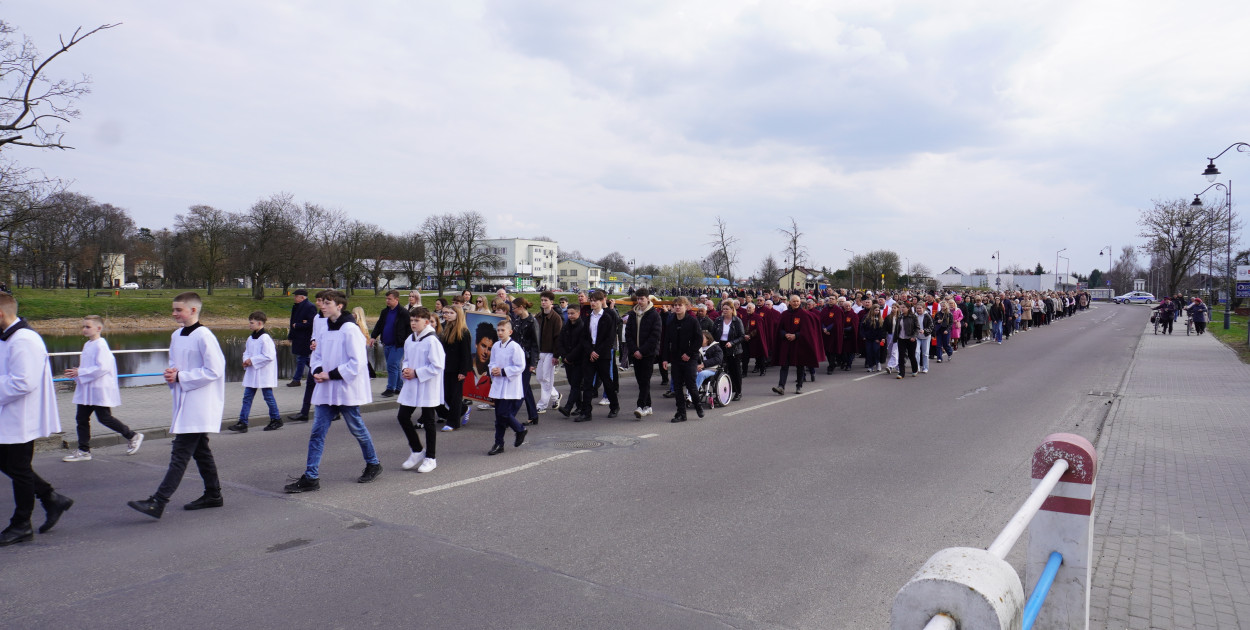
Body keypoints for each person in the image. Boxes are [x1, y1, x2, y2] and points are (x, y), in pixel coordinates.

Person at [127, 292, 225, 519]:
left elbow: (215, 370)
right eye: (173, 309)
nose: (173, 313)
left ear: (193, 310)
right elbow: (174, 364)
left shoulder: (204, 336)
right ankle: (213, 494)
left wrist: (181, 376)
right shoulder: (176, 335)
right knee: (201, 452)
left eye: (178, 310)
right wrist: (171, 374)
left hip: (199, 402)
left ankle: (158, 501)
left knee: (180, 452)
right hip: (184, 398)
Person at [284, 291, 382, 493]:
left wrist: (330, 375)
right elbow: (317, 354)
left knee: (357, 429)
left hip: (344, 388)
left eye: (327, 303)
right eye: (323, 303)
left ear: (339, 306)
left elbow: (357, 363)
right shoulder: (324, 327)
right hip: (327, 388)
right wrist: (318, 370)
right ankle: (311, 477)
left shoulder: (350, 329)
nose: (323, 306)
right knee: (317, 432)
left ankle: (373, 463)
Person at [0, 293, 73, 544]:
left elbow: (23, 383)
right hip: (9, 414)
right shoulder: (9, 338)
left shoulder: (24, 339)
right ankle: (51, 498)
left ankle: (21, 524)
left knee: (18, 469)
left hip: (21, 416)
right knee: (8, 463)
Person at [62, 315, 143, 461]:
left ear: (98, 328)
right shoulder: (88, 344)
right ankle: (84, 451)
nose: (84, 329)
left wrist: (80, 372)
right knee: (81, 418)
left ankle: (132, 435)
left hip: (98, 390)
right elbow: (89, 366)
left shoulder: (101, 345)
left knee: (104, 418)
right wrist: (77, 372)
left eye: (88, 327)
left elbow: (103, 368)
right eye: (83, 326)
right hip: (88, 389)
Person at [396, 307, 445, 473]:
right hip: (411, 384)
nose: (413, 323)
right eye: (411, 320)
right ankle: (417, 450)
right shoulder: (410, 339)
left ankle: (431, 458)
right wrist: (405, 369)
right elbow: (407, 359)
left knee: (429, 422)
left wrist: (416, 372)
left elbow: (437, 365)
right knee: (403, 416)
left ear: (426, 322)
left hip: (427, 385)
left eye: (416, 320)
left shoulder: (432, 341)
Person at [228, 311, 282, 433]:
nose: (249, 325)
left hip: (263, 373)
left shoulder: (265, 338)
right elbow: (246, 352)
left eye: (251, 323)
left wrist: (252, 360)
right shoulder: (250, 338)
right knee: (247, 397)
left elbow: (269, 356)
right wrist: (246, 360)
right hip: (253, 372)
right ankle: (243, 422)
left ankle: (276, 419)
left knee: (268, 397)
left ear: (259, 323)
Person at [487, 319, 528, 455]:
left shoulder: (515, 347)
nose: (499, 333)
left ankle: (520, 429)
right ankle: (499, 443)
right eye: (498, 330)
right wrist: (493, 369)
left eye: (502, 330)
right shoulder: (496, 346)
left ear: (510, 332)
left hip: (510, 384)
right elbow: (492, 362)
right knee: (499, 417)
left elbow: (520, 366)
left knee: (503, 413)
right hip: (498, 384)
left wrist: (504, 371)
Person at [289, 290, 330, 422]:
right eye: (317, 300)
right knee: (310, 383)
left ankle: (336, 410)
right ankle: (304, 412)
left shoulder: (332, 319)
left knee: (328, 385)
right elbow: (314, 333)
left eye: (320, 301)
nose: (317, 303)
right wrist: (313, 342)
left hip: (329, 359)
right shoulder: (317, 318)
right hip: (316, 357)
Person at [578, 291, 620, 420]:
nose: (592, 303)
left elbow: (610, 338)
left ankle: (614, 406)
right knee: (588, 383)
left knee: (607, 381)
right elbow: (584, 338)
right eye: (591, 300)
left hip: (603, 354)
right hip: (590, 354)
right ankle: (586, 412)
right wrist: (590, 351)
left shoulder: (608, 317)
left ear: (602, 301)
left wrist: (598, 352)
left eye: (595, 300)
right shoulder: (588, 318)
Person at [661, 297, 703, 423]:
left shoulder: (692, 321)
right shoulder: (671, 321)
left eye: (680, 305)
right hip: (676, 358)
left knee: (691, 385)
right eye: (675, 305)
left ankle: (698, 405)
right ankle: (681, 413)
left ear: (686, 307)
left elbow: (699, 339)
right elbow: (666, 341)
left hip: (690, 357)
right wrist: (664, 359)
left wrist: (689, 353)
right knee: (677, 387)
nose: (677, 307)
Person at [625, 289, 662, 418]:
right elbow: (628, 333)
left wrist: (642, 351)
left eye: (642, 299)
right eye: (638, 299)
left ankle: (640, 406)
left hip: (648, 354)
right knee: (641, 381)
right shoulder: (633, 314)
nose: (640, 301)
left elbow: (655, 335)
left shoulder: (654, 315)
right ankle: (648, 406)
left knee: (645, 379)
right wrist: (634, 350)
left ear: (648, 299)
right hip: (635, 353)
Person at [437, 304, 472, 431]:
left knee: (456, 396)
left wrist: (463, 371)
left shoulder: (463, 331)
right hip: (446, 367)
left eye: (450, 313)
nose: (447, 315)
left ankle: (453, 422)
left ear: (458, 315)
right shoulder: (446, 328)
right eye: (445, 313)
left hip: (457, 369)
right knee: (446, 395)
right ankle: (464, 409)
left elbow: (465, 353)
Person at [371, 290, 411, 397]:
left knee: (392, 365)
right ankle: (399, 387)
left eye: (389, 299)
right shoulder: (385, 312)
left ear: (396, 299)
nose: (387, 301)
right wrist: (373, 336)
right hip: (386, 343)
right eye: (386, 299)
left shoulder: (403, 312)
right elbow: (379, 325)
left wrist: (405, 341)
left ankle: (390, 388)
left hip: (398, 344)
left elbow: (409, 328)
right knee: (396, 366)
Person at [509, 297, 540, 425]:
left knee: (520, 389)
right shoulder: (516, 321)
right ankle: (533, 415)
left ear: (521, 307)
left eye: (514, 308)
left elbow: (535, 344)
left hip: (527, 359)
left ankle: (509, 418)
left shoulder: (532, 321)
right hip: (517, 358)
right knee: (525, 389)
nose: (513, 310)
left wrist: (533, 363)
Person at [772, 295, 811, 395]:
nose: (796, 303)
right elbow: (779, 329)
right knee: (784, 365)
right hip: (786, 343)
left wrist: (796, 335)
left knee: (800, 366)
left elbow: (806, 330)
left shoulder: (804, 314)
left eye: (797, 301)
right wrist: (785, 334)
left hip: (799, 343)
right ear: (790, 302)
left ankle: (799, 386)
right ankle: (781, 386)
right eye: (794, 301)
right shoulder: (785, 314)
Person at [534, 292, 563, 415]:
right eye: (542, 300)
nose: (543, 302)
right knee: (540, 377)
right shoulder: (539, 316)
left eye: (546, 300)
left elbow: (558, 338)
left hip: (550, 352)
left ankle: (542, 405)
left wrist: (556, 355)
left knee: (546, 378)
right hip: (540, 351)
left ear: (551, 302)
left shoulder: (556, 318)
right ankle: (556, 395)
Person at [556, 304, 587, 417]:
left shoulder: (583, 326)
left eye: (572, 313)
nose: (570, 316)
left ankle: (568, 408)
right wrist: (564, 356)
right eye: (568, 313)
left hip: (578, 361)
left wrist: (570, 357)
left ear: (578, 313)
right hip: (567, 360)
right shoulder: (566, 326)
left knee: (575, 384)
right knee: (573, 384)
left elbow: (581, 345)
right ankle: (580, 407)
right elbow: (560, 341)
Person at [715, 301, 744, 401]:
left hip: (733, 348)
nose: (725, 311)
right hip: (720, 346)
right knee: (721, 370)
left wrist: (732, 343)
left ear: (732, 310)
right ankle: (722, 391)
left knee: (735, 371)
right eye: (723, 309)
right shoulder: (718, 320)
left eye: (727, 309)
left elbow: (742, 336)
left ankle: (738, 392)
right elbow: (714, 333)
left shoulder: (737, 321)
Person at [287, 289, 316, 387]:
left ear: (302, 297)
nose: (294, 298)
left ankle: (296, 379)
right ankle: (317, 371)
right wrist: (291, 334)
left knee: (301, 358)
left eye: (296, 296)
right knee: (303, 358)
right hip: (298, 336)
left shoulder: (310, 307)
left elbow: (311, 323)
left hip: (305, 337)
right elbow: (292, 322)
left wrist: (298, 325)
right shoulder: (297, 306)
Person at [893, 303, 920, 379]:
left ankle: (915, 370)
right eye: (901, 307)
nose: (902, 309)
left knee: (911, 355)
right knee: (901, 356)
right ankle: (901, 373)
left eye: (904, 307)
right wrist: (895, 338)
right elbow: (897, 329)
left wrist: (914, 336)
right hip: (901, 339)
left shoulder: (913, 316)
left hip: (910, 339)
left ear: (908, 308)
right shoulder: (900, 317)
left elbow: (917, 328)